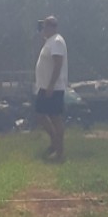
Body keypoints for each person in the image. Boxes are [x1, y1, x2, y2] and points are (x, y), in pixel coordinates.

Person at [34, 15, 67, 162]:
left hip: (52, 87)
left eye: (45, 27)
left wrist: (51, 85)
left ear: (52, 27)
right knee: (42, 115)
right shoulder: (50, 42)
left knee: (53, 117)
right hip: (44, 86)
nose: (43, 30)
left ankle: (58, 148)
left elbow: (58, 64)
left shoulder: (57, 42)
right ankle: (54, 142)